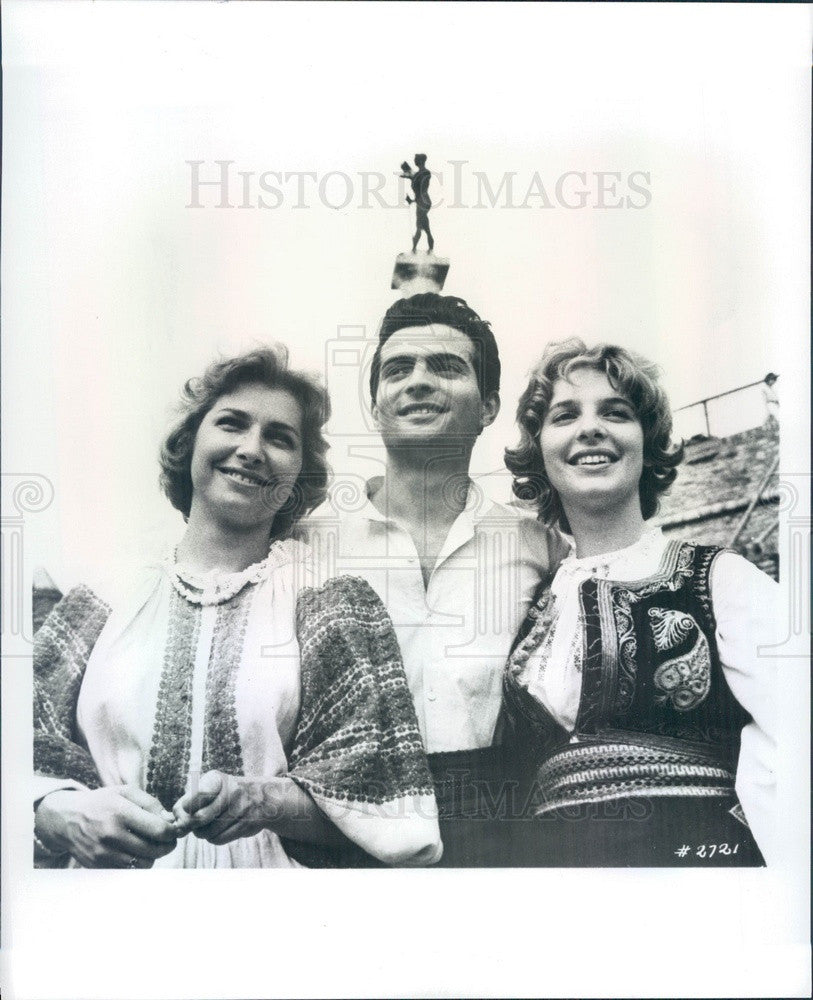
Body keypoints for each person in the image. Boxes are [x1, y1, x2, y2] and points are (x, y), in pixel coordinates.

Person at [33, 346, 441, 869]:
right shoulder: (100, 598)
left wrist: (264, 800)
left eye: (279, 438)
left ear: (300, 471)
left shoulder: (333, 605)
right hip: (105, 901)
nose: (252, 449)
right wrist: (61, 812)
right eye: (232, 424)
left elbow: (391, 814)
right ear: (191, 442)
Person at [306, 294, 564, 864]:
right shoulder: (303, 546)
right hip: (333, 832)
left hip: (496, 831)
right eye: (398, 370)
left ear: (490, 405)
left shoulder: (541, 548)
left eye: (446, 367)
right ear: (376, 405)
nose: (418, 382)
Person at [502, 339, 776, 866]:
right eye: (564, 415)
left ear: (648, 444)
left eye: (616, 412)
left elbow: (798, 740)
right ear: (539, 452)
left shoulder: (719, 578)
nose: (590, 428)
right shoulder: (531, 605)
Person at [400, 153, 434, 253]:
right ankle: (416, 249)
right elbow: (415, 179)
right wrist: (411, 200)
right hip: (420, 203)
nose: (414, 161)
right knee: (421, 227)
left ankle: (418, 250)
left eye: (415, 159)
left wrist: (411, 175)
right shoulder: (419, 174)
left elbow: (421, 189)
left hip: (424, 202)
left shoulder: (425, 173)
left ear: (419, 161)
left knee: (423, 227)